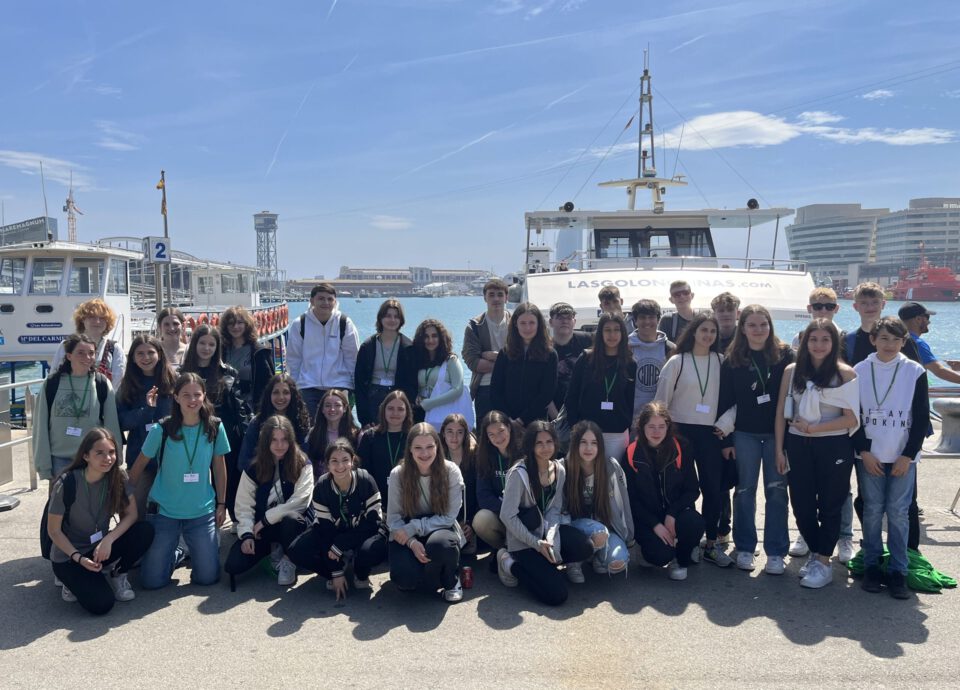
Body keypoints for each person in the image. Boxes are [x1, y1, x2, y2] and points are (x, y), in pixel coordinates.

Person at [774, 319, 860, 589]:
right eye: (813, 339)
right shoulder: (792, 372)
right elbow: (781, 413)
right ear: (804, 342)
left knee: (831, 504)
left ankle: (823, 561)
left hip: (833, 445)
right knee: (801, 505)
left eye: (825, 339)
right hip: (798, 444)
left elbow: (851, 419)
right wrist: (779, 450)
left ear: (834, 343)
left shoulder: (845, 374)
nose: (819, 345)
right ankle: (816, 551)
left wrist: (815, 428)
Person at [130, 373, 229, 589]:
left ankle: (183, 549)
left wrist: (221, 504)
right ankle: (175, 553)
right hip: (165, 512)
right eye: (186, 395)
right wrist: (124, 498)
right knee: (152, 582)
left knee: (208, 577)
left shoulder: (215, 427)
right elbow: (138, 466)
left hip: (201, 511)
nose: (192, 400)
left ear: (204, 396)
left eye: (197, 394)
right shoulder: (161, 429)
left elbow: (219, 468)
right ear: (176, 397)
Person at [853, 317, 929, 600]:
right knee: (873, 510)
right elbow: (853, 416)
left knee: (898, 512)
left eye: (896, 339)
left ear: (904, 342)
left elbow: (921, 417)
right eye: (884, 338)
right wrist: (863, 450)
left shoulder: (914, 371)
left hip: (902, 456)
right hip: (869, 456)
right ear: (873, 339)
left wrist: (907, 455)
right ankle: (872, 565)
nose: (890, 344)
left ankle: (899, 570)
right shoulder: (859, 370)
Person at [716, 305, 794, 574]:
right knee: (744, 492)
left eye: (763, 324)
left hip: (777, 435)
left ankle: (776, 551)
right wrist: (726, 442)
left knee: (777, 491)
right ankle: (745, 547)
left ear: (770, 326)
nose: (758, 330)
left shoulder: (785, 355)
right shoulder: (733, 359)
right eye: (752, 325)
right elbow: (724, 400)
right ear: (743, 328)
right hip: (744, 434)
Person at [46, 428, 154, 613]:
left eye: (111, 452)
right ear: (86, 456)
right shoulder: (66, 483)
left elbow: (132, 514)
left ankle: (118, 573)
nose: (108, 458)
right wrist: (79, 558)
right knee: (102, 605)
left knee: (144, 530)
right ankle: (70, 582)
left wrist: (109, 539)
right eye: (100, 453)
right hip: (70, 556)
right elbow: (54, 531)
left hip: (98, 549)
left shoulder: (118, 477)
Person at [655, 312, 733, 567]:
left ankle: (711, 544)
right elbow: (660, 403)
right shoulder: (677, 361)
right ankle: (682, 540)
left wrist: (726, 424)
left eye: (713, 331)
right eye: (704, 330)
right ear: (694, 332)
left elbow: (736, 399)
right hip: (680, 432)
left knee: (713, 489)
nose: (708, 335)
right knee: (680, 489)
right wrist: (661, 434)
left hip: (712, 434)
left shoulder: (722, 361)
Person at [496, 422, 594, 605]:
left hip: (545, 532)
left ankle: (545, 565)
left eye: (549, 441)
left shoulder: (559, 470)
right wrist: (536, 543)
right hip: (523, 540)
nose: (545, 447)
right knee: (557, 596)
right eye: (539, 443)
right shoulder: (519, 474)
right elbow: (507, 516)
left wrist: (550, 539)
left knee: (585, 546)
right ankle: (508, 563)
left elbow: (555, 509)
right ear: (530, 446)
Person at [287, 439, 388, 599]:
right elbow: (325, 531)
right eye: (334, 461)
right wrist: (335, 571)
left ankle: (360, 572)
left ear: (352, 460)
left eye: (345, 460)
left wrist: (340, 545)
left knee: (371, 550)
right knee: (296, 551)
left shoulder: (366, 481)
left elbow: (373, 524)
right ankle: (335, 569)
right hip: (333, 533)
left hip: (362, 531)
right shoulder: (321, 487)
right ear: (327, 463)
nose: (340, 466)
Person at [226, 415, 313, 588]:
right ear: (266, 441)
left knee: (290, 519)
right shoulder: (254, 467)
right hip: (262, 528)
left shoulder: (303, 463)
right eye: (274, 440)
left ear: (291, 440)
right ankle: (272, 549)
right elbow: (244, 504)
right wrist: (246, 534)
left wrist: (266, 519)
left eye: (284, 439)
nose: (280, 445)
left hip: (294, 525)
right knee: (233, 565)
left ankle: (288, 558)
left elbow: (300, 501)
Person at [621, 402, 704, 581]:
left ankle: (681, 559)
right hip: (648, 518)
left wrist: (672, 514)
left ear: (668, 427)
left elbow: (692, 490)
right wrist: (655, 524)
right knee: (659, 555)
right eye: (651, 426)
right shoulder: (631, 453)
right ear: (642, 427)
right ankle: (650, 549)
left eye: (661, 426)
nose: (656, 432)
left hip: (676, 512)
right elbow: (631, 500)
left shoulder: (682, 447)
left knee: (694, 523)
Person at [386, 422, 465, 602]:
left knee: (441, 546)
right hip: (407, 531)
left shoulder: (451, 471)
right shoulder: (398, 474)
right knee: (405, 580)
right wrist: (412, 542)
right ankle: (426, 577)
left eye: (430, 447)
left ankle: (451, 580)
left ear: (438, 446)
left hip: (440, 526)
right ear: (410, 449)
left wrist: (415, 527)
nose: (425, 453)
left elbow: (449, 517)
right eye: (418, 448)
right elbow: (393, 519)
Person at [181, 323, 248, 523]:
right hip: (192, 432)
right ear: (195, 344)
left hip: (224, 432)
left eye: (211, 344)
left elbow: (239, 406)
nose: (206, 348)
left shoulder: (229, 372)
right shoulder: (182, 373)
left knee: (229, 477)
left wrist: (245, 433)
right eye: (202, 343)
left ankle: (233, 516)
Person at [33, 334, 123, 483]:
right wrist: (43, 466)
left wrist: (116, 459)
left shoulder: (101, 383)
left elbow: (111, 424)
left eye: (91, 353)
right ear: (69, 356)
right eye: (81, 353)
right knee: (62, 498)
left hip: (93, 458)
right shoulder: (52, 383)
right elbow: (40, 426)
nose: (87, 357)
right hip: (59, 459)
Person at [562, 420, 634, 580]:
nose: (589, 448)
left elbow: (623, 503)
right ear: (575, 444)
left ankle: (596, 556)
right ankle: (575, 560)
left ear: (600, 446)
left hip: (606, 526)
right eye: (583, 442)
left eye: (594, 443)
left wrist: (628, 535)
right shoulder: (563, 468)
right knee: (598, 530)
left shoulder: (611, 467)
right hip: (575, 527)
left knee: (618, 561)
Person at [116, 335, 176, 518]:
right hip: (139, 458)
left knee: (169, 510)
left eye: (151, 352)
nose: (146, 357)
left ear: (160, 354)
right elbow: (121, 421)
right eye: (140, 353)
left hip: (171, 458)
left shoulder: (174, 381)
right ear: (133, 358)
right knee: (136, 509)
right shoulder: (127, 385)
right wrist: (146, 412)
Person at [564, 314, 637, 461]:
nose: (612, 335)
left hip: (616, 433)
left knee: (613, 473)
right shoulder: (586, 359)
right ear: (600, 333)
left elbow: (630, 400)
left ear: (623, 333)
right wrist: (575, 427)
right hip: (587, 432)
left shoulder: (630, 363)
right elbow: (571, 396)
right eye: (607, 330)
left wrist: (626, 423)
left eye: (616, 330)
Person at [286, 283, 361, 420]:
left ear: (335, 302)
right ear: (312, 301)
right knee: (310, 427)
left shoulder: (344, 323)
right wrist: (295, 386)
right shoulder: (300, 323)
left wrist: (353, 387)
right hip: (308, 386)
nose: (326, 302)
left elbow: (353, 358)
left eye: (330, 299)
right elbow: (294, 359)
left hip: (339, 385)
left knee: (339, 428)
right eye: (321, 298)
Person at [490, 302, 558, 426]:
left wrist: (522, 420)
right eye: (523, 323)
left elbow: (546, 394)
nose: (527, 328)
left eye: (531, 323)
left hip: (536, 423)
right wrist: (508, 419)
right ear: (515, 324)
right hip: (507, 423)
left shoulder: (550, 355)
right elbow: (495, 390)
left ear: (539, 324)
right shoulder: (505, 353)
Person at [354, 299, 418, 427]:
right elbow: (359, 382)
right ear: (381, 318)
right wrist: (364, 418)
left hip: (397, 396)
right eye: (388, 316)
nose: (392, 320)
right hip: (373, 396)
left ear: (401, 320)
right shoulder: (368, 346)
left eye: (396, 316)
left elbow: (412, 383)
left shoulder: (408, 347)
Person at [238, 373, 311, 472]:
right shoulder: (256, 423)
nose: (281, 397)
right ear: (269, 395)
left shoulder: (301, 422)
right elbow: (243, 462)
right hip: (262, 475)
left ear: (293, 395)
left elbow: (306, 459)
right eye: (276, 392)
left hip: (294, 474)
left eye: (286, 392)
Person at [462, 279, 511, 425]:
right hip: (484, 387)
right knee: (485, 431)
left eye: (500, 294)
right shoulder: (474, 326)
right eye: (491, 295)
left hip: (512, 385)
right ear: (484, 298)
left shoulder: (516, 323)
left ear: (506, 298)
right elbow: (473, 362)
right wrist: (506, 363)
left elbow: (521, 357)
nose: (496, 299)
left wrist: (491, 356)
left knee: (511, 430)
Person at [356, 390, 415, 509]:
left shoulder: (414, 437)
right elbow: (362, 472)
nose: (395, 413)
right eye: (390, 408)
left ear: (407, 412)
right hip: (376, 499)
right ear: (383, 410)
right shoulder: (369, 437)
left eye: (400, 409)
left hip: (408, 499)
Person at [472, 411, 519, 554]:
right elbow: (483, 496)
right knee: (481, 520)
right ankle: (504, 549)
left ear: (509, 427)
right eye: (491, 434)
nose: (498, 438)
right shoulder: (484, 456)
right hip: (501, 513)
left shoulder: (524, 452)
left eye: (501, 431)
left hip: (524, 513)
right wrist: (506, 509)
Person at [413, 319, 472, 428]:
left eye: (434, 336)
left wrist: (430, 403)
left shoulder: (451, 360)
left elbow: (457, 390)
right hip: (421, 413)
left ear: (441, 338)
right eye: (426, 336)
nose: (430, 340)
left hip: (443, 417)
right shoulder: (418, 360)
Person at [51, 298, 124, 383]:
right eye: (92, 317)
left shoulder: (114, 349)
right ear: (82, 319)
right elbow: (54, 374)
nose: (97, 321)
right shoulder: (66, 345)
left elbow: (117, 381)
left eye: (102, 318)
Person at [220, 306, 275, 414]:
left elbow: (269, 383)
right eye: (231, 323)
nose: (235, 327)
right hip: (228, 409)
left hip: (253, 409)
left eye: (240, 322)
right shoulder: (221, 351)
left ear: (247, 324)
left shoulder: (259, 351)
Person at [627, 299, 675, 413]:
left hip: (659, 415)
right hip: (629, 414)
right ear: (635, 321)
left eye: (651, 317)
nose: (647, 321)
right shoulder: (626, 347)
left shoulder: (670, 349)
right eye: (642, 317)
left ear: (658, 319)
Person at [440, 413, 479, 554]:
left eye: (459, 432)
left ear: (465, 435)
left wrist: (471, 524)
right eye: (450, 431)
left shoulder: (475, 457)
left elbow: (480, 493)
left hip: (471, 517)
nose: (454, 437)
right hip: (448, 519)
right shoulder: (437, 458)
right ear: (443, 433)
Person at [547, 302, 592, 420]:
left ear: (574, 321)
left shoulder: (587, 340)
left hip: (584, 409)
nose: (565, 321)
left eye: (569, 318)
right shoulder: (545, 348)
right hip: (555, 411)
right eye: (560, 318)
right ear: (551, 322)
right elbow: (543, 389)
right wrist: (557, 420)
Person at [898, 301, 960, 384]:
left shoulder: (896, 340)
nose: (929, 322)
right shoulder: (917, 343)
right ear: (918, 319)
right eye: (927, 317)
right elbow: (939, 371)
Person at [306, 389, 359, 477]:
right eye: (328, 405)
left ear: (345, 408)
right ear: (322, 409)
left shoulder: (356, 435)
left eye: (337, 405)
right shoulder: (313, 433)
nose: (332, 409)